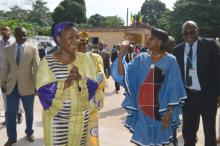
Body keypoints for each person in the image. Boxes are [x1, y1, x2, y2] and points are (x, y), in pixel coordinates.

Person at [117, 28, 187, 146]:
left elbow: (174, 88)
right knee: (143, 142)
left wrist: (169, 112)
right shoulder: (140, 58)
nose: (148, 40)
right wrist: (122, 52)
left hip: (161, 112)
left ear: (158, 43)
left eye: (151, 38)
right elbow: (122, 72)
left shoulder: (170, 61)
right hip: (143, 111)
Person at [36, 22, 101, 146]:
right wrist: (65, 84)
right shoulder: (47, 61)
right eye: (71, 37)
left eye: (77, 37)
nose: (76, 41)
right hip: (56, 121)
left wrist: (80, 79)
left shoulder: (85, 59)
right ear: (58, 39)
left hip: (81, 120)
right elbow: (42, 91)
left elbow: (93, 85)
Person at [172, 20, 220, 146]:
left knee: (209, 130)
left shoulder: (211, 45)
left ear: (197, 31)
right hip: (188, 97)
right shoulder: (177, 50)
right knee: (188, 132)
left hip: (208, 96)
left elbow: (218, 70)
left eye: (192, 32)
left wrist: (219, 94)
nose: (189, 36)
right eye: (185, 33)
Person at [1, 27, 40, 146]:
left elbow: (36, 68)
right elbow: (6, 68)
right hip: (12, 86)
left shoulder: (33, 49)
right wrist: (2, 83)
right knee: (10, 113)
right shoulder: (7, 49)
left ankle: (29, 132)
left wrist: (37, 85)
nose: (23, 37)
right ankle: (11, 138)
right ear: (15, 35)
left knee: (29, 112)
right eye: (20, 35)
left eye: (25, 35)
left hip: (28, 86)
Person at [0, 26, 24, 125]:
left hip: (13, 74)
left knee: (16, 94)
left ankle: (19, 114)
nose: (5, 32)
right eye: (2, 30)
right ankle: (8, 117)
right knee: (5, 96)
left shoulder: (15, 43)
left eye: (7, 30)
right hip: (2, 74)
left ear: (10, 32)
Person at [78, 31, 106, 110]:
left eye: (84, 43)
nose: (82, 46)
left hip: (92, 104)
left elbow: (102, 79)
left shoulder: (96, 58)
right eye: (79, 43)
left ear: (87, 44)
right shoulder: (69, 59)